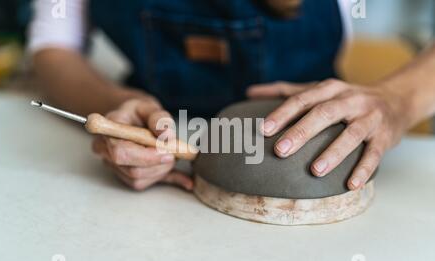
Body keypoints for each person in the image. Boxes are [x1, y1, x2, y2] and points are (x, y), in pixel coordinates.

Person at [29, 0, 435, 192]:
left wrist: (397, 100)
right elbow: (54, 46)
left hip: (321, 136)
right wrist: (114, 106)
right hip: (163, 129)